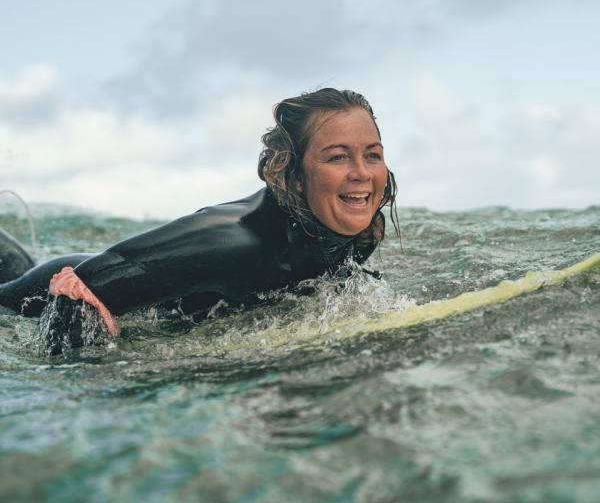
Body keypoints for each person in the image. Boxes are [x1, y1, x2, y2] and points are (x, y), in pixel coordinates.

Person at [0, 88, 399, 352]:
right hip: (36, 297)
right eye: (337, 156)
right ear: (289, 172)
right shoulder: (232, 243)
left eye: (373, 155)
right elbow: (80, 289)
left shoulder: (352, 221)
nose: (362, 173)